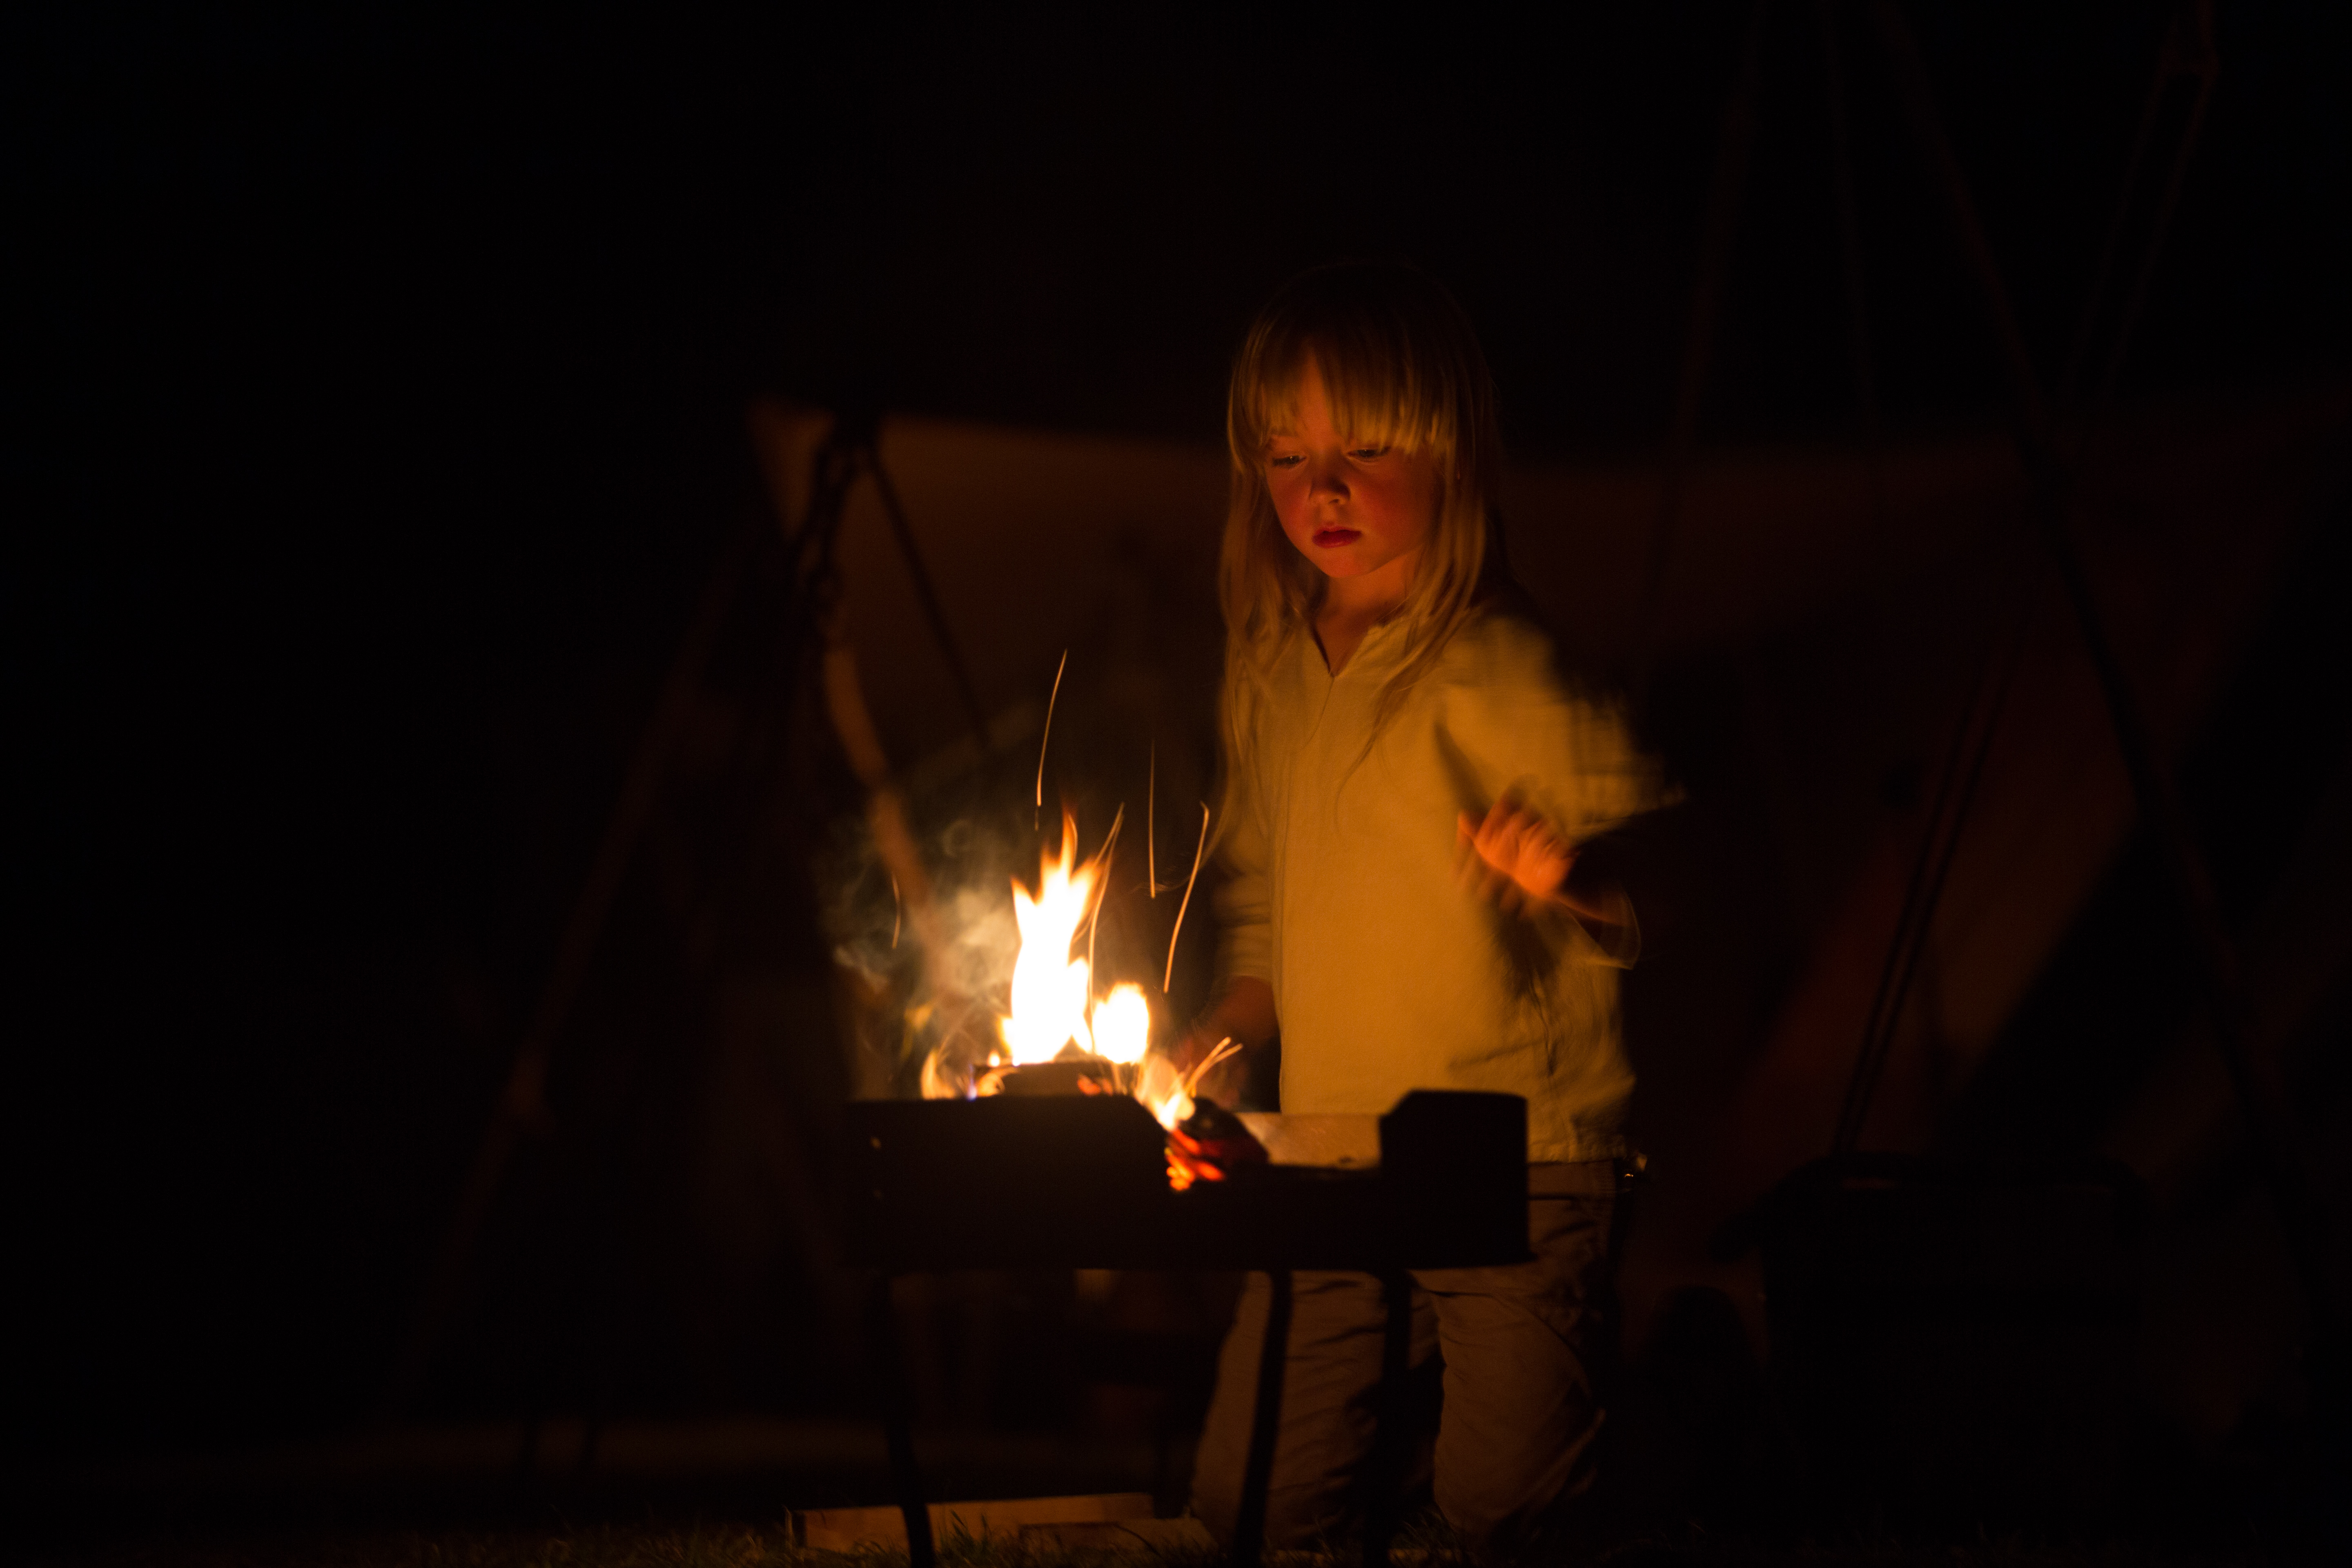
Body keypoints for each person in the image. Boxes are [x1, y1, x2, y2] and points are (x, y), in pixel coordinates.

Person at [1177, 261, 1670, 1555]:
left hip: (1517, 1161)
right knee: (1253, 1509)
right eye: (1288, 457)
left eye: (1365, 448)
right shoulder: (1272, 668)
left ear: (1447, 448)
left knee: (1509, 1510)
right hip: (1328, 1157)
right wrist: (1218, 1036)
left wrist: (1569, 876)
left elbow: (1651, 879)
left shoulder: (1500, 660)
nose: (1323, 489)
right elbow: (1266, 910)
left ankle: (1643, 1453)